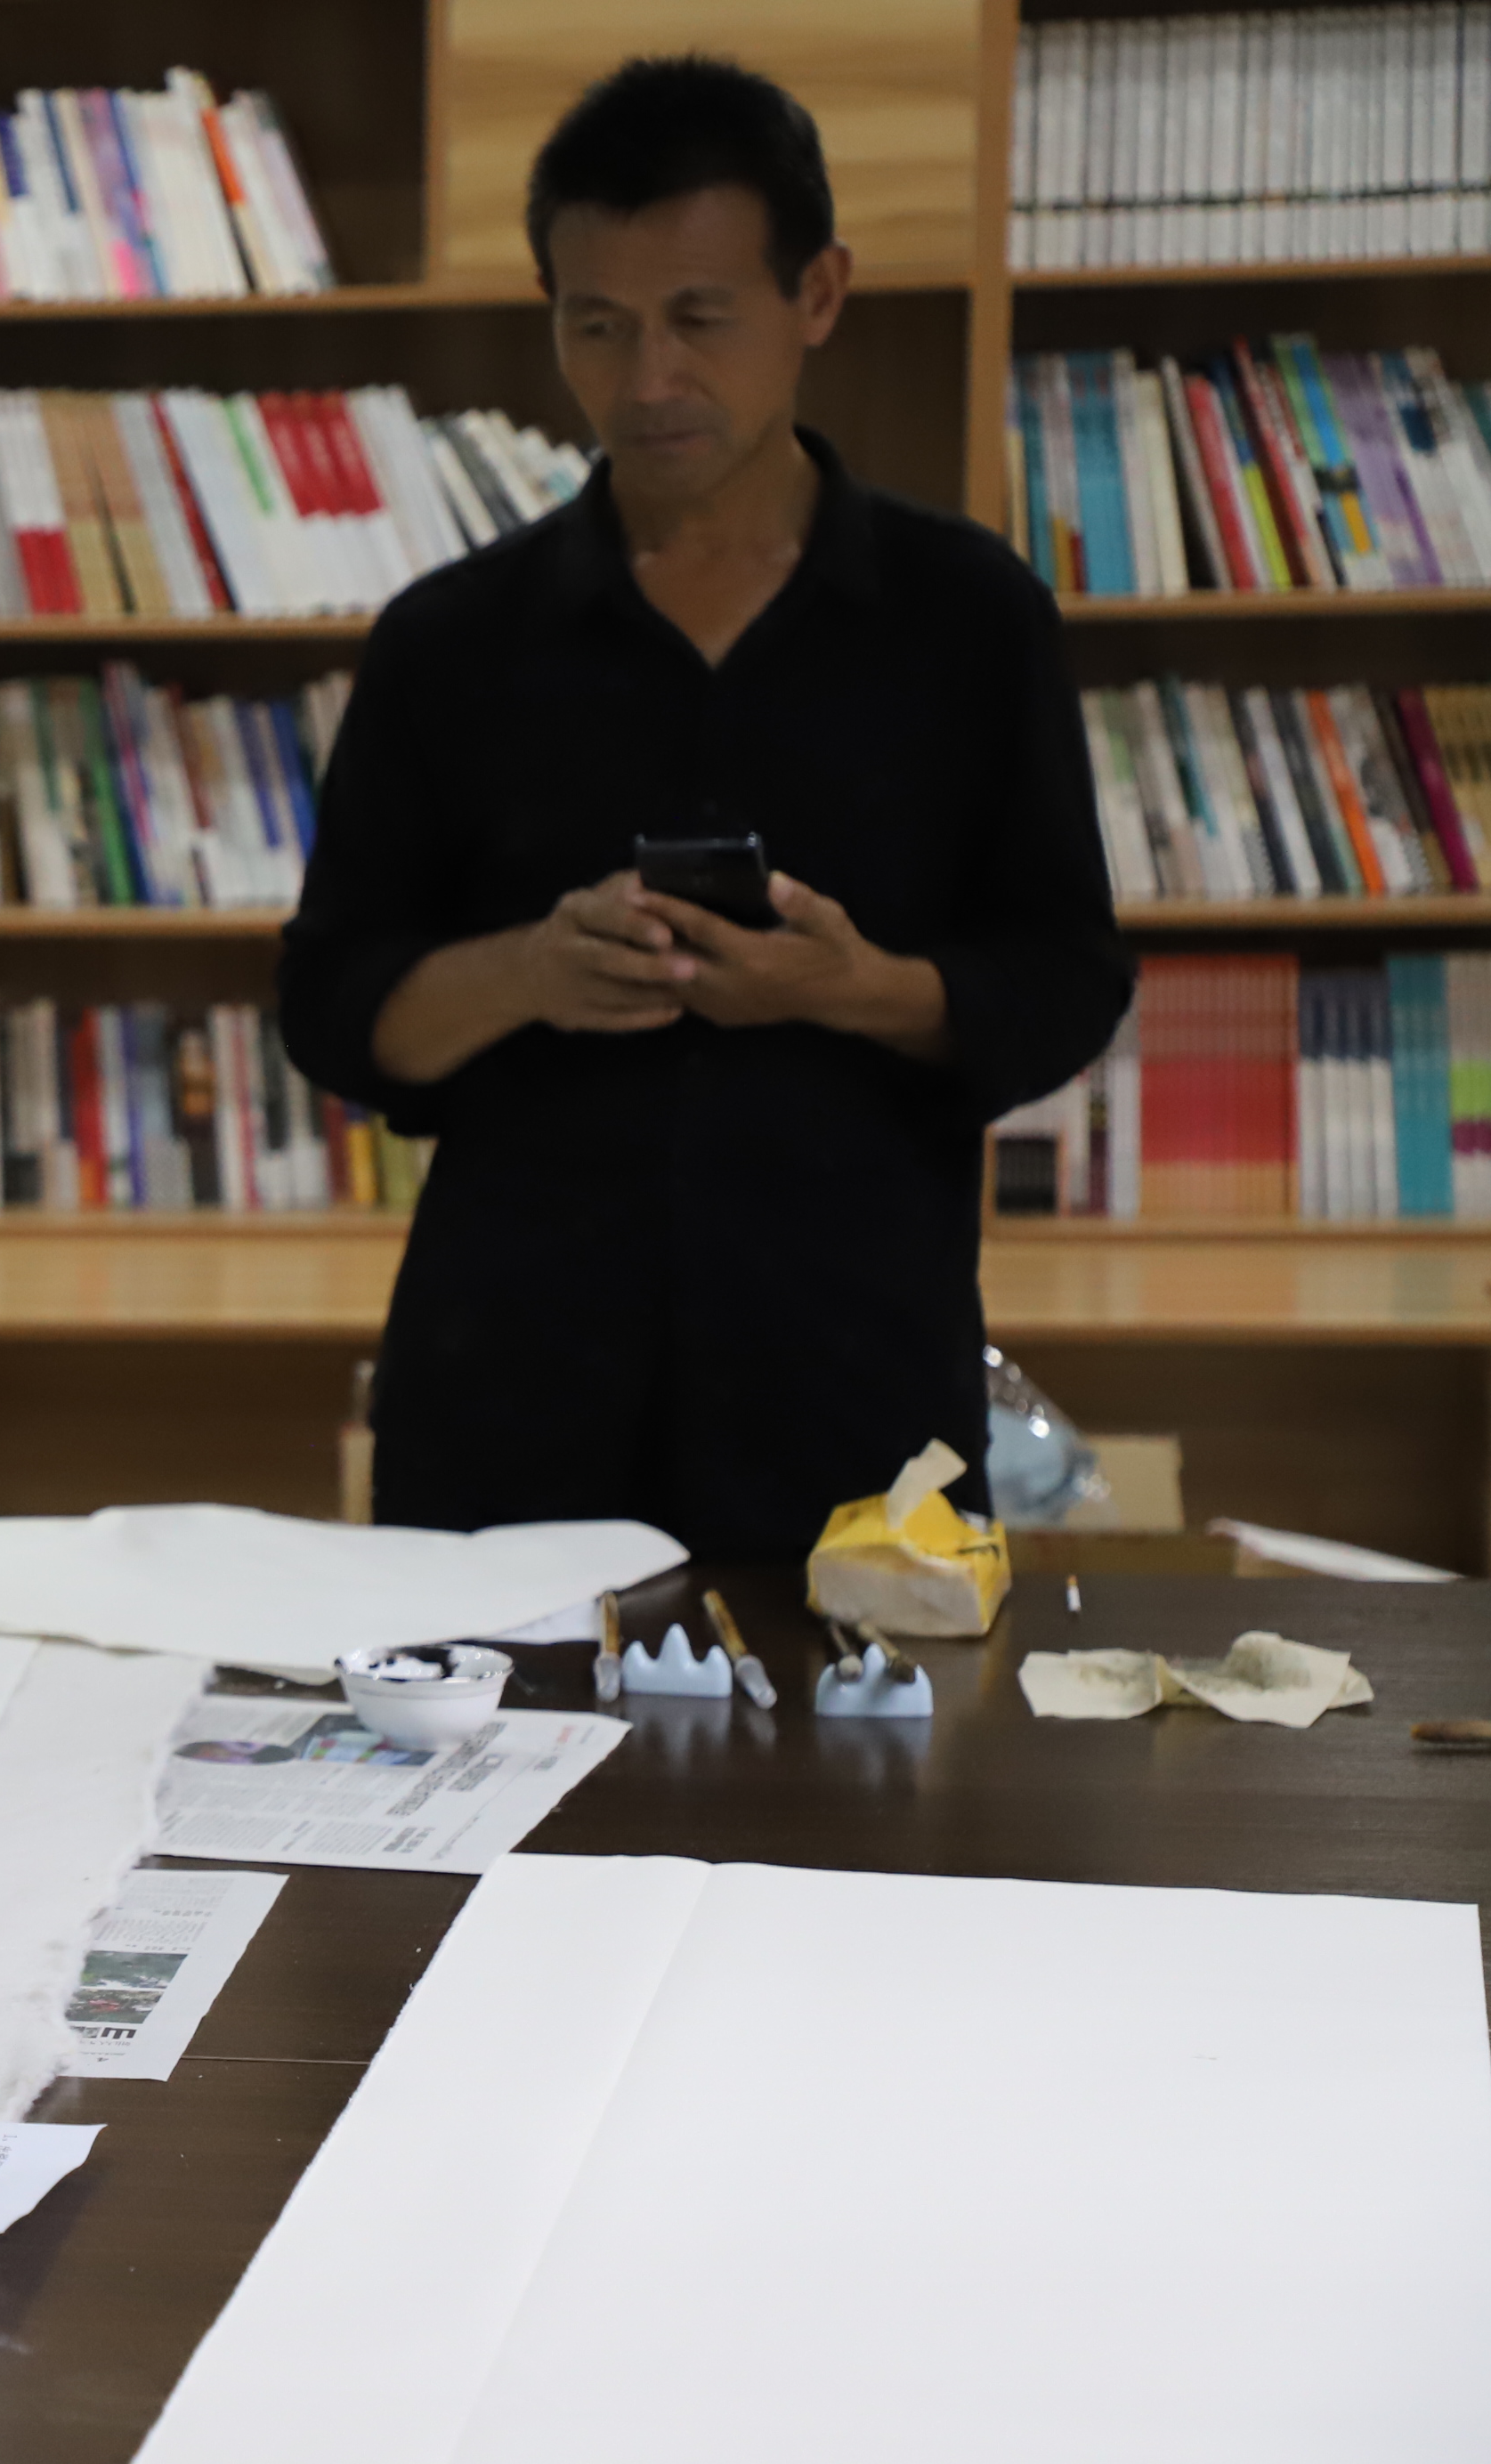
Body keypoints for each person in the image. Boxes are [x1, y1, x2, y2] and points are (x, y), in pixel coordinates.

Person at [276, 57, 1130, 1561]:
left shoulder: (969, 619)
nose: (649, 379)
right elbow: (335, 1013)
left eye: (699, 317)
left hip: (859, 1400)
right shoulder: (447, 643)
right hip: (508, 1404)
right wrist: (528, 971)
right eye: (597, 325)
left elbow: (1065, 980)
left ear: (818, 295)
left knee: (877, 1726)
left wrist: (854, 988)